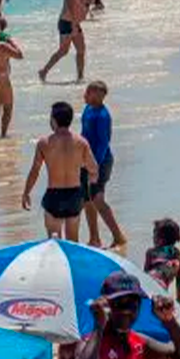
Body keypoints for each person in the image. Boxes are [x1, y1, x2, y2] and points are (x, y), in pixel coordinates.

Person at [22, 100, 96, 241]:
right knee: (73, 242)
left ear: (54, 120)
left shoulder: (44, 143)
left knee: (54, 245)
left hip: (54, 195)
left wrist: (26, 193)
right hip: (74, 195)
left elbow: (35, 171)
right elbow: (94, 169)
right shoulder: (81, 142)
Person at [80, 81, 125, 247]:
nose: (85, 95)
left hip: (101, 161)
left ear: (99, 96)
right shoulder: (87, 109)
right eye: (86, 91)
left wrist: (95, 167)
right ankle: (94, 238)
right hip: (85, 161)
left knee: (98, 199)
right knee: (87, 200)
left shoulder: (103, 115)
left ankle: (118, 236)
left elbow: (104, 143)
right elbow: (84, 135)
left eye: (89, 93)